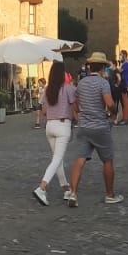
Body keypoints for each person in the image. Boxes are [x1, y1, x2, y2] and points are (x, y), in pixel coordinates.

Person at [67, 52, 123, 206]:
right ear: (103, 67)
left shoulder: (82, 83)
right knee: (107, 160)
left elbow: (76, 105)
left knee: (80, 159)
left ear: (90, 66)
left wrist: (81, 114)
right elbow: (109, 102)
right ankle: (109, 194)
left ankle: (73, 193)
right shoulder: (103, 83)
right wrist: (113, 113)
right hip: (100, 126)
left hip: (84, 126)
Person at [33, 60, 74, 205]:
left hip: (49, 126)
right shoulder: (68, 88)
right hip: (63, 125)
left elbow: (44, 111)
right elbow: (74, 107)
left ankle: (66, 189)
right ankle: (42, 187)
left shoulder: (48, 89)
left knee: (58, 160)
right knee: (57, 160)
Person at [118, 50, 128, 124]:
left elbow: (119, 71)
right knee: (125, 102)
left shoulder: (126, 64)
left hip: (125, 85)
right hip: (126, 84)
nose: (120, 56)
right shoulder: (125, 63)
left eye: (120, 55)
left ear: (124, 55)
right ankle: (127, 117)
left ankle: (125, 118)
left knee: (125, 103)